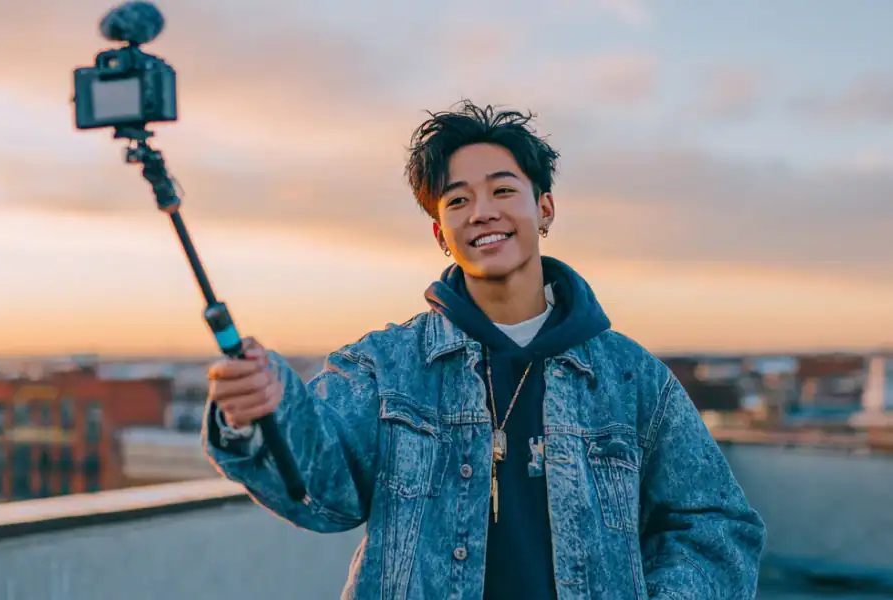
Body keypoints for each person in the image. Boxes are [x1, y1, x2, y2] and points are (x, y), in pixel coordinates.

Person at [203, 100, 767, 600]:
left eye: (503, 190)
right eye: (457, 200)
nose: (482, 212)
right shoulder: (386, 367)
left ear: (544, 209)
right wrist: (262, 408)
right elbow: (322, 496)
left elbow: (715, 524)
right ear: (440, 232)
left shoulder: (630, 377)